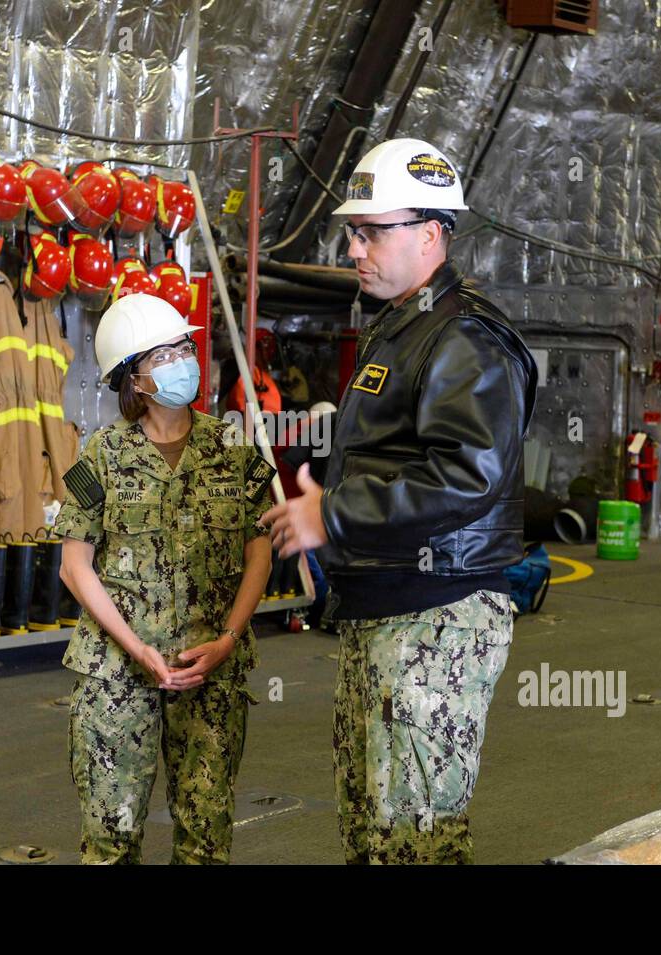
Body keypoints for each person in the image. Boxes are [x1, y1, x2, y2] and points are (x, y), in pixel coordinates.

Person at [261, 138, 538, 864]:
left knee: (413, 837)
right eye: (352, 231)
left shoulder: (464, 336)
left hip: (436, 614)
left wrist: (334, 513)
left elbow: (466, 473)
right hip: (386, 610)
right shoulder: (403, 325)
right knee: (373, 830)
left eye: (371, 231)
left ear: (429, 232)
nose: (355, 248)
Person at [57, 293, 273, 864]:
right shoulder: (101, 455)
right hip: (116, 673)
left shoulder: (234, 448)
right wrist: (136, 649)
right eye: (164, 354)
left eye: (184, 346)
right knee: (110, 840)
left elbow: (260, 554)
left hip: (211, 668)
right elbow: (74, 566)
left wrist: (228, 638)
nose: (183, 359)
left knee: (206, 838)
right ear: (133, 377)